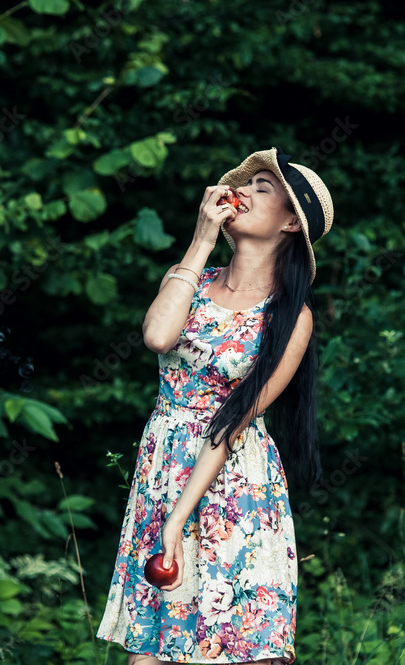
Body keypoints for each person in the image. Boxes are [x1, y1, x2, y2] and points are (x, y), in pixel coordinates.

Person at [96, 148, 334, 664]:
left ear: (291, 222)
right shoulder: (188, 279)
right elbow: (158, 336)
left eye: (262, 188)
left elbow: (232, 423)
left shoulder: (290, 317)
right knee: (153, 647)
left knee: (237, 647)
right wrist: (202, 241)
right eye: (243, 184)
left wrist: (177, 520)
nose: (242, 192)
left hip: (234, 482)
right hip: (164, 468)